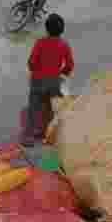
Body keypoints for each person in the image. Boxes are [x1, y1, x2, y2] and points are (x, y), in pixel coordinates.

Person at [24, 13, 74, 146]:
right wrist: (61, 74)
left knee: (34, 108)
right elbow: (69, 65)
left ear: (46, 28)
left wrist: (35, 72)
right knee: (49, 108)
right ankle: (46, 134)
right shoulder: (64, 45)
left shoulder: (40, 43)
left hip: (38, 80)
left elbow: (31, 62)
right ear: (62, 29)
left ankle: (28, 137)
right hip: (54, 81)